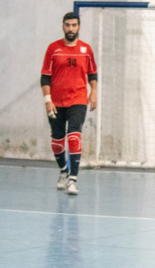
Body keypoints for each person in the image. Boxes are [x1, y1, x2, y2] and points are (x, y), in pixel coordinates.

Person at [40, 12, 98, 195]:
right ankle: (63, 172)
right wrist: (48, 101)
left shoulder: (86, 50)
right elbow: (45, 78)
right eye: (67, 25)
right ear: (63, 26)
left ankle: (73, 180)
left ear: (79, 27)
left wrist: (93, 92)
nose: (71, 28)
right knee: (57, 140)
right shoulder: (53, 49)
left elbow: (92, 74)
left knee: (74, 136)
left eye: (74, 25)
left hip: (78, 99)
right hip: (56, 102)